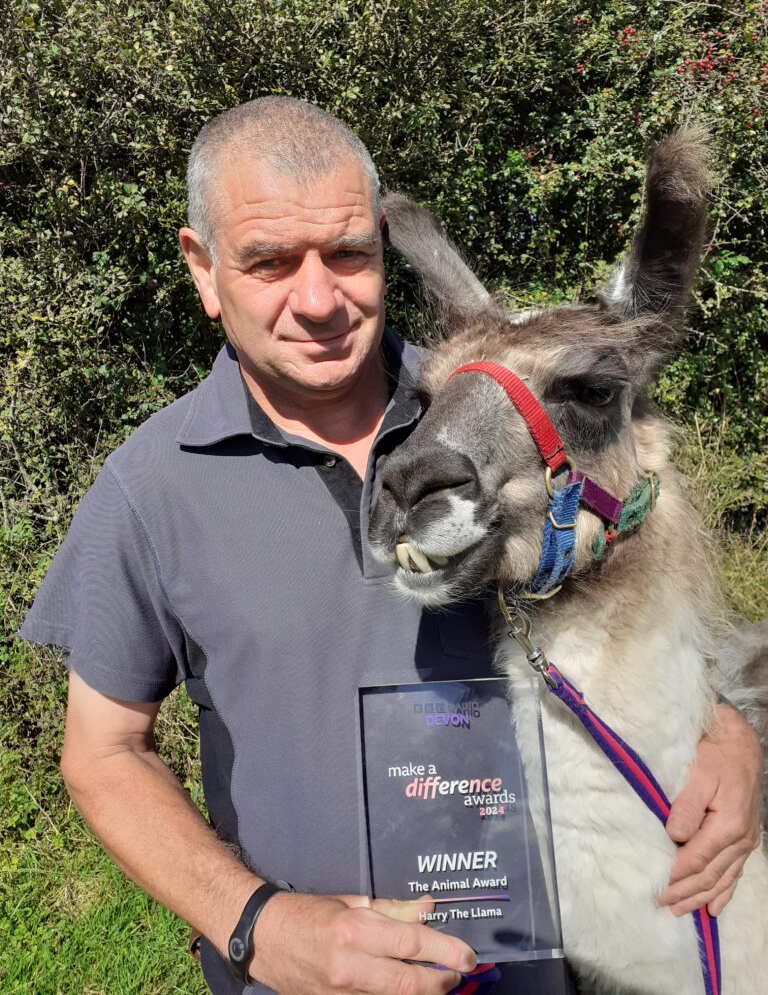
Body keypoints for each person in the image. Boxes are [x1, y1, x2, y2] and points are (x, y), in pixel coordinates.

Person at [20, 97, 763, 995]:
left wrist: (726, 732)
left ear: (380, 250)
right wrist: (259, 925)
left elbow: (628, 570)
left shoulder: (488, 408)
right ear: (204, 270)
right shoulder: (152, 488)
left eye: (347, 254)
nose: (318, 300)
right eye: (269, 261)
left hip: (547, 964)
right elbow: (103, 753)